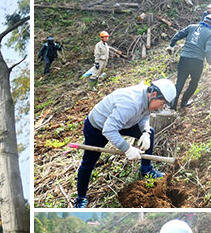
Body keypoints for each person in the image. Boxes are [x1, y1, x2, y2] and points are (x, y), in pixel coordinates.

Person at [73, 79, 177, 208]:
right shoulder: (131, 103)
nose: (160, 108)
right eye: (161, 104)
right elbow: (109, 130)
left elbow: (145, 115)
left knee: (150, 131)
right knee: (88, 162)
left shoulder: (148, 98)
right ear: (154, 94)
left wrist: (145, 132)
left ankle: (146, 169)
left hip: (123, 122)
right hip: (98, 127)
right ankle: (81, 198)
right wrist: (127, 149)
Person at [167, 14, 211, 110]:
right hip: (197, 62)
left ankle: (173, 105)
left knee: (179, 82)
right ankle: (184, 102)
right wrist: (210, 63)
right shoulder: (210, 33)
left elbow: (178, 34)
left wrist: (171, 45)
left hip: (184, 59)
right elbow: (208, 49)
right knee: (194, 83)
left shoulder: (192, 27)